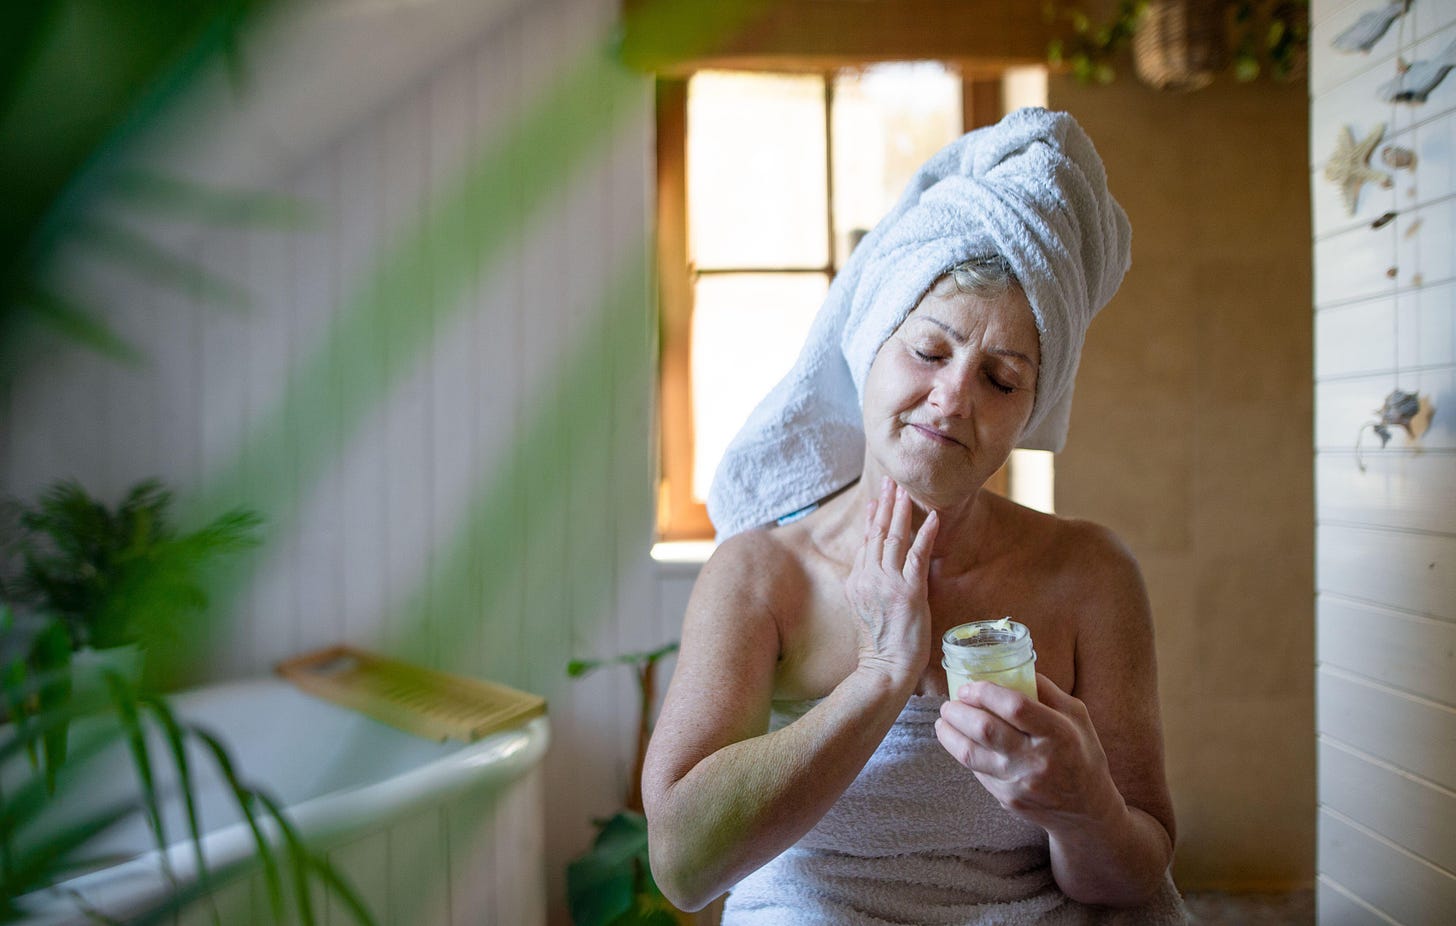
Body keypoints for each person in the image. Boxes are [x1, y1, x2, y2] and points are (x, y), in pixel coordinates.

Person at [641, 108, 1187, 924]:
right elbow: (685, 868)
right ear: (869, 341)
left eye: (1002, 380)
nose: (952, 399)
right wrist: (881, 675)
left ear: (1032, 409)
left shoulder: (1088, 576)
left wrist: (1083, 808)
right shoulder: (763, 575)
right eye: (930, 351)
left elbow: (1131, 873)